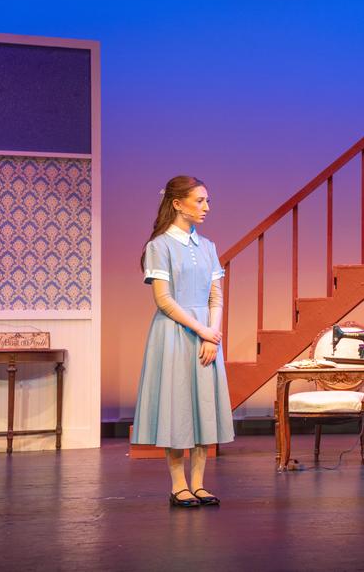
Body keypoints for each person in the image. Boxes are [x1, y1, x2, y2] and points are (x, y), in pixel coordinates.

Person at [132, 175, 235, 507]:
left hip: (206, 336)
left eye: (208, 201)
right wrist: (201, 330)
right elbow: (164, 300)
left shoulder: (208, 247)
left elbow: (215, 297)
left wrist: (212, 335)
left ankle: (199, 483)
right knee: (177, 406)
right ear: (178, 203)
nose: (207, 207)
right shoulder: (159, 246)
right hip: (175, 333)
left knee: (203, 405)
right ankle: (179, 485)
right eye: (200, 200)